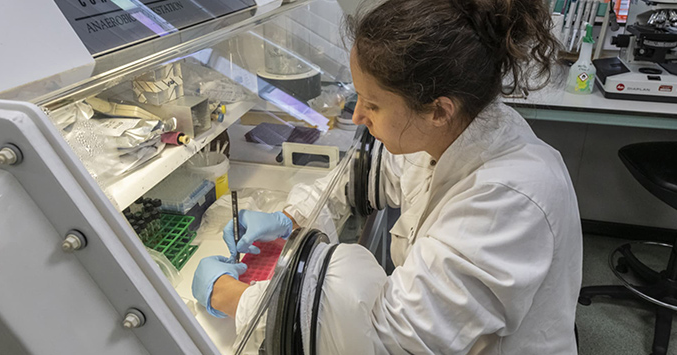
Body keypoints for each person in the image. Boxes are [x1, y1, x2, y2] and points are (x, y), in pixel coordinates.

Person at [192, 0, 583, 353]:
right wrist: (291, 217)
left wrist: (233, 297)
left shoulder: (509, 199)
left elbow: (389, 339)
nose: (358, 117)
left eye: (373, 104)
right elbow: (367, 177)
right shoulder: (456, 134)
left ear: (438, 110)